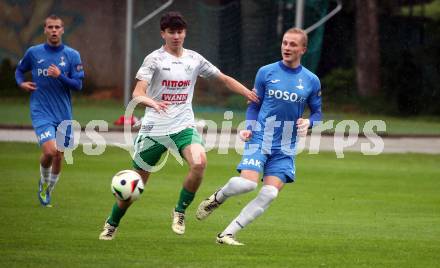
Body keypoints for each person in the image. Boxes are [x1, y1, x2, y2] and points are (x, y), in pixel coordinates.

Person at [98, 11, 258, 240]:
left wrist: (248, 93)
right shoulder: (154, 59)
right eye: (171, 32)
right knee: (134, 187)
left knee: (200, 162)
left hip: (183, 127)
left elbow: (222, 78)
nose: (176, 36)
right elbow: (137, 92)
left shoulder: (194, 59)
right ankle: (112, 223)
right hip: (154, 130)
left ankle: (180, 211)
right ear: (163, 34)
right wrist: (150, 101)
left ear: (185, 33)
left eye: (180, 31)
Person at [196, 28, 322, 245]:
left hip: (286, 145)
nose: (287, 48)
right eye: (284, 43)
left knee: (270, 193)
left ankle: (226, 234)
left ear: (303, 49)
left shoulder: (311, 80)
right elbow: (254, 104)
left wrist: (309, 122)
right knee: (247, 185)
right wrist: (250, 126)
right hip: (261, 136)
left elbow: (318, 113)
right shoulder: (266, 72)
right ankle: (218, 197)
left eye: (293, 44)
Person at [15, 15, 84, 207]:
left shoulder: (72, 55)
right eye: (50, 27)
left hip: (63, 114)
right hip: (41, 111)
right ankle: (44, 182)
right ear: (44, 30)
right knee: (51, 151)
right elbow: (19, 70)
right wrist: (21, 83)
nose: (54, 30)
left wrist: (60, 75)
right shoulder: (34, 53)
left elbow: (78, 85)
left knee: (58, 155)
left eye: (57, 27)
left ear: (63, 30)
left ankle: (47, 188)